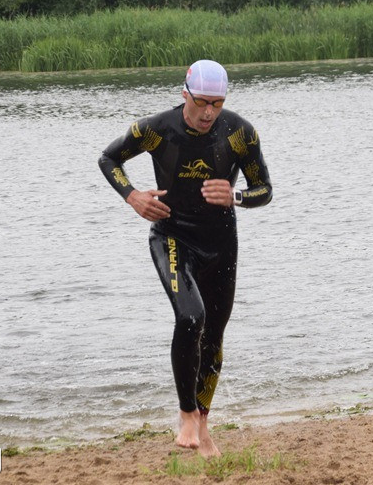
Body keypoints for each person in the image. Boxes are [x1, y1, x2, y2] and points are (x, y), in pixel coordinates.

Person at [98, 59, 272, 458]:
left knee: (214, 334)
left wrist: (237, 197)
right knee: (191, 317)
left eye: (217, 102)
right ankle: (186, 413)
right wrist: (134, 197)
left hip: (221, 243)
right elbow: (109, 159)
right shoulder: (156, 129)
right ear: (185, 95)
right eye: (201, 102)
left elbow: (264, 188)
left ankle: (204, 424)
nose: (209, 112)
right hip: (172, 236)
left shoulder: (239, 132)